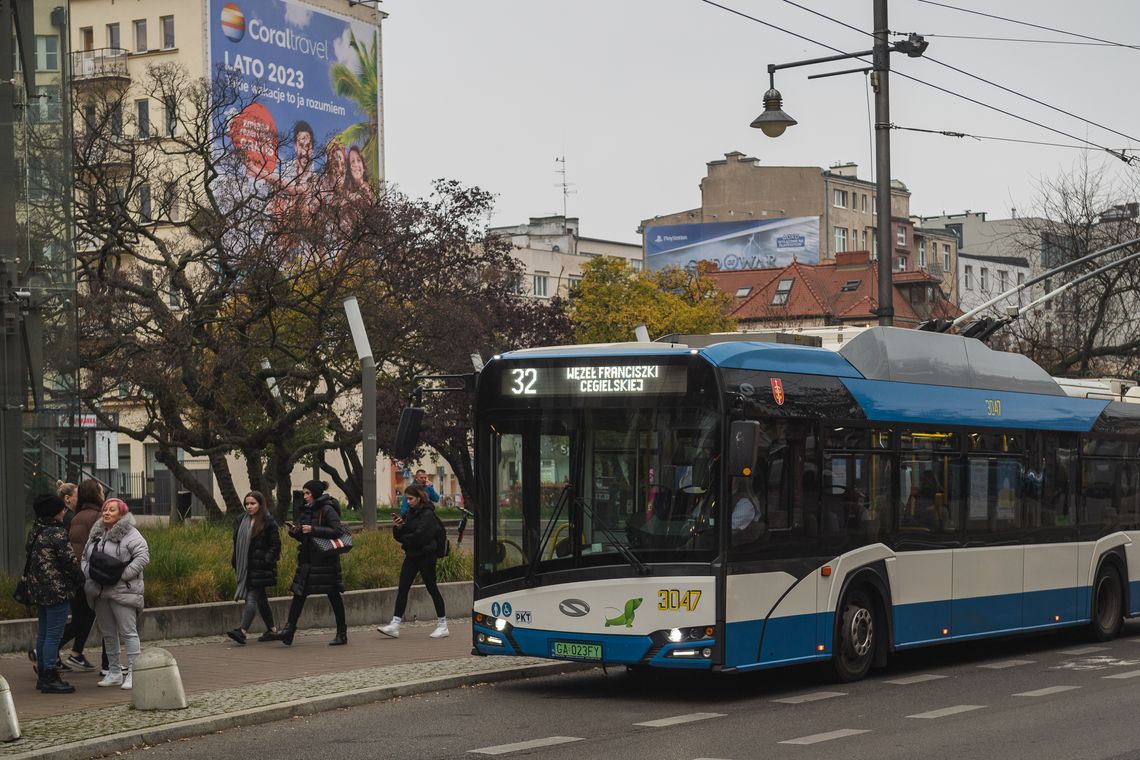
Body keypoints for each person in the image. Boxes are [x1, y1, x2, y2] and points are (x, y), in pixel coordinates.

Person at [83, 497, 150, 689]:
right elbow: (84, 558)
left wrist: (124, 575)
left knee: (129, 633)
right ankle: (113, 672)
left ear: (121, 513)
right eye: (104, 509)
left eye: (111, 510)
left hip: (123, 592)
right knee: (108, 634)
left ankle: (133, 673)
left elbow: (143, 556)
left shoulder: (131, 534)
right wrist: (89, 574)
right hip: (100, 591)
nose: (106, 512)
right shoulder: (96, 534)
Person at [273, 480, 348, 646]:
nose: (305, 496)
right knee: (299, 593)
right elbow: (308, 536)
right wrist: (296, 533)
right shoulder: (308, 510)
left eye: (308, 493)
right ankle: (289, 631)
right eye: (304, 493)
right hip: (308, 559)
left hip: (326, 561)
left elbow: (337, 531)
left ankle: (342, 633)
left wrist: (313, 529)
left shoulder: (328, 509)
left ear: (315, 493)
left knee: (333, 595)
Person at [26, 494, 85, 694]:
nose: (64, 512)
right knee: (53, 634)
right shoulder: (57, 533)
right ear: (54, 512)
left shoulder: (36, 531)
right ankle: (51, 675)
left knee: (44, 633)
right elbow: (69, 561)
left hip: (39, 591)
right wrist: (80, 579)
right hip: (57, 590)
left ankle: (43, 674)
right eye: (62, 509)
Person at [377, 484, 448, 639]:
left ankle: (443, 625)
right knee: (403, 587)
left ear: (419, 498)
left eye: (410, 498)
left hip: (426, 556)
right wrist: (399, 527)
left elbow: (421, 536)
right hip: (412, 555)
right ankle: (395, 624)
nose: (408, 501)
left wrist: (404, 537)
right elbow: (403, 535)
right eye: (406, 498)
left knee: (432, 588)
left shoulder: (428, 514)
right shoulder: (409, 513)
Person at [57, 479, 105, 673]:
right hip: (90, 574)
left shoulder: (75, 517)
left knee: (82, 617)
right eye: (101, 491)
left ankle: (75, 653)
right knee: (88, 618)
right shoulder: (97, 517)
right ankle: (108, 666)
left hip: (75, 574)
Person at [226, 491, 281, 645]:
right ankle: (272, 629)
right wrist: (235, 561)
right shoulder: (240, 521)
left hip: (260, 568)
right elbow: (237, 544)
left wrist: (265, 560)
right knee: (261, 599)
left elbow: (275, 545)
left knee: (251, 598)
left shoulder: (268, 521)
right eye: (247, 504)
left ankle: (242, 631)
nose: (249, 507)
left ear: (260, 504)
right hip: (245, 567)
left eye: (252, 503)